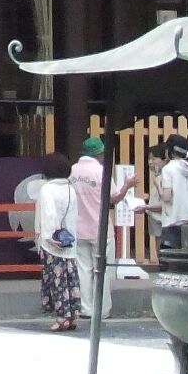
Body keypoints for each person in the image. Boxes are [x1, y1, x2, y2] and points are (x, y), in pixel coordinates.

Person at [70, 136, 134, 319]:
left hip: (78, 228)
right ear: (98, 153)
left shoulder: (72, 171)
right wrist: (127, 185)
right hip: (100, 228)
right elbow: (114, 198)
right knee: (103, 270)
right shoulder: (101, 171)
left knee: (83, 270)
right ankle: (102, 309)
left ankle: (86, 308)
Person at [32, 152, 80, 332]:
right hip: (69, 239)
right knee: (70, 278)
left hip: (53, 242)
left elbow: (48, 214)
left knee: (56, 280)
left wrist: (49, 236)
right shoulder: (70, 188)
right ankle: (72, 315)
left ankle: (61, 317)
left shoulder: (47, 189)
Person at [154, 134, 188, 249]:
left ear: (171, 152)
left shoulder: (168, 169)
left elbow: (166, 197)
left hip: (172, 221)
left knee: (169, 257)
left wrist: (158, 185)